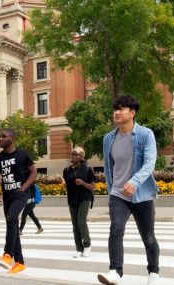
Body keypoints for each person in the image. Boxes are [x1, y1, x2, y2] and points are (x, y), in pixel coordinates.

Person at [97, 95, 160, 285]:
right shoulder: (108, 138)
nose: (117, 112)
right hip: (118, 194)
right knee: (116, 229)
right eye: (115, 108)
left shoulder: (145, 134)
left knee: (148, 237)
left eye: (122, 109)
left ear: (132, 113)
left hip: (141, 194)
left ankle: (153, 273)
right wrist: (112, 191)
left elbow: (150, 163)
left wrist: (136, 181)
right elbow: (108, 168)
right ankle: (115, 271)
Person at [0, 128, 37, 274]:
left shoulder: (22, 154)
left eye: (3, 136)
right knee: (13, 225)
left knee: (11, 218)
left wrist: (24, 188)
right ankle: (20, 262)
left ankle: (8, 254)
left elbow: (33, 172)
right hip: (7, 195)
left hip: (21, 194)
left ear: (12, 138)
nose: (0, 139)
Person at [63, 146, 96, 258]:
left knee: (81, 221)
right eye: (72, 154)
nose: (73, 156)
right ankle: (79, 248)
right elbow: (68, 186)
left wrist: (82, 183)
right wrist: (64, 184)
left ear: (81, 157)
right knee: (75, 225)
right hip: (72, 199)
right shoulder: (67, 170)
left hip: (84, 198)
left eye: (76, 154)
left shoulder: (87, 169)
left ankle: (87, 245)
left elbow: (92, 187)